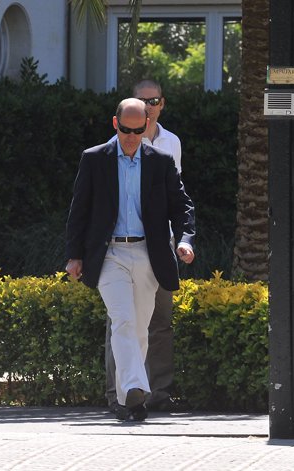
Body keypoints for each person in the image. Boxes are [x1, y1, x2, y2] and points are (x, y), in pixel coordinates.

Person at [65, 98, 195, 422]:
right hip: (110, 254)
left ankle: (129, 402)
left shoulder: (161, 162)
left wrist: (184, 240)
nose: (131, 138)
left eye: (138, 131)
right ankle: (136, 387)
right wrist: (74, 256)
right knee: (122, 320)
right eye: (126, 130)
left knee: (139, 329)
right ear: (115, 124)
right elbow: (79, 209)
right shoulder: (94, 159)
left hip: (149, 253)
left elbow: (182, 206)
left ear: (146, 126)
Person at [104, 80, 185, 413]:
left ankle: (158, 393)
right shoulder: (113, 146)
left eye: (153, 101)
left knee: (159, 320)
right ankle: (119, 394)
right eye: (142, 101)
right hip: (119, 247)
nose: (148, 107)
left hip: (158, 244)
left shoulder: (171, 143)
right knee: (120, 319)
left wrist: (182, 238)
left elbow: (176, 195)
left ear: (161, 104)